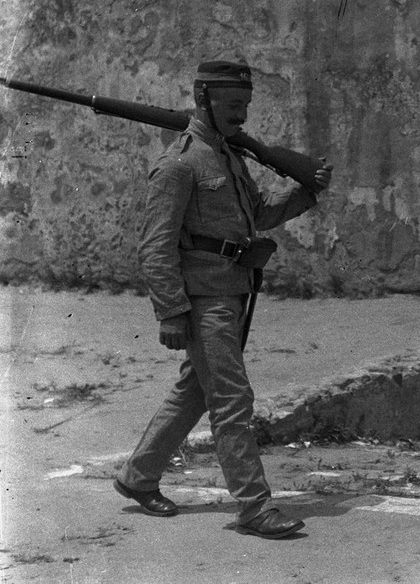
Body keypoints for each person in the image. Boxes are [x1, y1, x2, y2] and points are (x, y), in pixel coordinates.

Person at [113, 60, 333, 539]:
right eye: (232, 106)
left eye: (245, 106)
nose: (241, 116)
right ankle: (255, 508)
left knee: (196, 390)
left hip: (232, 293)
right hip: (201, 301)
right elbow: (154, 247)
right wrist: (170, 311)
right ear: (203, 100)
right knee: (232, 400)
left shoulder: (231, 158)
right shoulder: (178, 165)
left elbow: (260, 214)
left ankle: (137, 476)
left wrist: (308, 193)